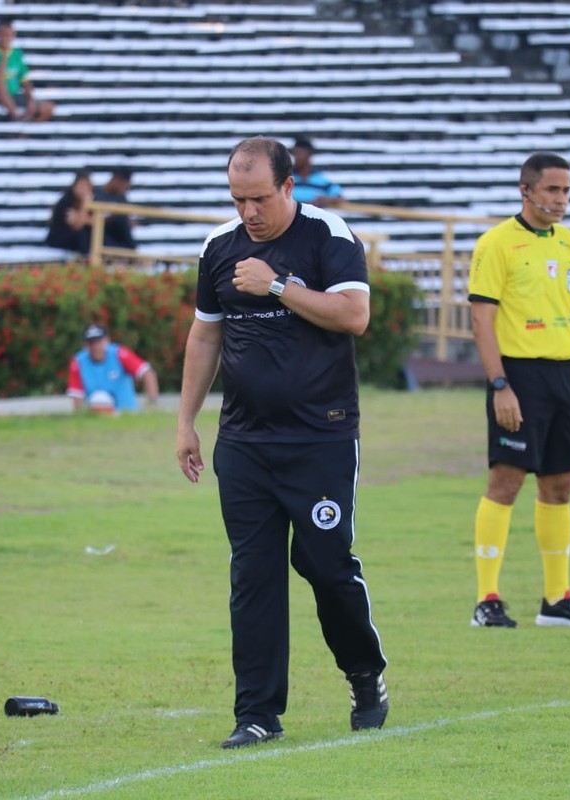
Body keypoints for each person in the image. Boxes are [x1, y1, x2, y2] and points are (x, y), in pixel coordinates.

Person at [175, 136, 388, 749]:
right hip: (243, 441)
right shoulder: (218, 246)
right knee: (254, 574)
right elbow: (204, 337)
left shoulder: (329, 235)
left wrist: (275, 286)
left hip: (319, 435)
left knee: (325, 563)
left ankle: (364, 670)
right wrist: (186, 421)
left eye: (260, 198)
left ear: (289, 187)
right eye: (238, 199)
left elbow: (353, 317)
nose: (249, 212)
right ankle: (258, 713)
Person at [466, 152, 570, 630]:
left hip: (567, 378)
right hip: (520, 377)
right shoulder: (496, 244)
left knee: (560, 485)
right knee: (506, 482)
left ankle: (556, 600)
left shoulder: (569, 244)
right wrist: (500, 385)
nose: (561, 200)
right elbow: (481, 319)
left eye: (566, 191)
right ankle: (487, 600)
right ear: (525, 190)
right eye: (552, 190)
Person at [66, 323, 158, 413]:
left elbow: (147, 373)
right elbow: (77, 395)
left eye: (99, 342)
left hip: (126, 414)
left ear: (107, 341)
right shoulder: (78, 362)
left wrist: (152, 404)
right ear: (85, 345)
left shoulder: (119, 354)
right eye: (91, 343)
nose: (95, 347)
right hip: (95, 415)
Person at [0, 19, 55, 122]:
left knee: (48, 107)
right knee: (0, 83)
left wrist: (30, 100)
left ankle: (25, 132)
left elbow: (25, 81)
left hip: (12, 95)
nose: (6, 38)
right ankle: (15, 115)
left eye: (9, 35)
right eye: (3, 35)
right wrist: (4, 55)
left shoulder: (17, 54)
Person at [45, 169, 95, 254]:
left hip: (78, 239)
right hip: (60, 237)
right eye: (80, 186)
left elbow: (97, 221)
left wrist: (85, 219)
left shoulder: (94, 201)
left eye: (86, 187)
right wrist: (85, 207)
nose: (83, 190)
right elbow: (77, 225)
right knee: (81, 234)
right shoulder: (66, 201)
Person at [290, 137, 343, 207]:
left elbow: (340, 198)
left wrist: (324, 200)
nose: (296, 157)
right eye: (295, 154)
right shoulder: (287, 179)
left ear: (309, 155)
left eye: (300, 154)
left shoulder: (321, 181)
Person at [93, 167, 137, 250]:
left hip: (118, 238)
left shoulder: (122, 198)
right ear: (116, 180)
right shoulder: (96, 194)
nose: (125, 191)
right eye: (124, 187)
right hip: (101, 235)